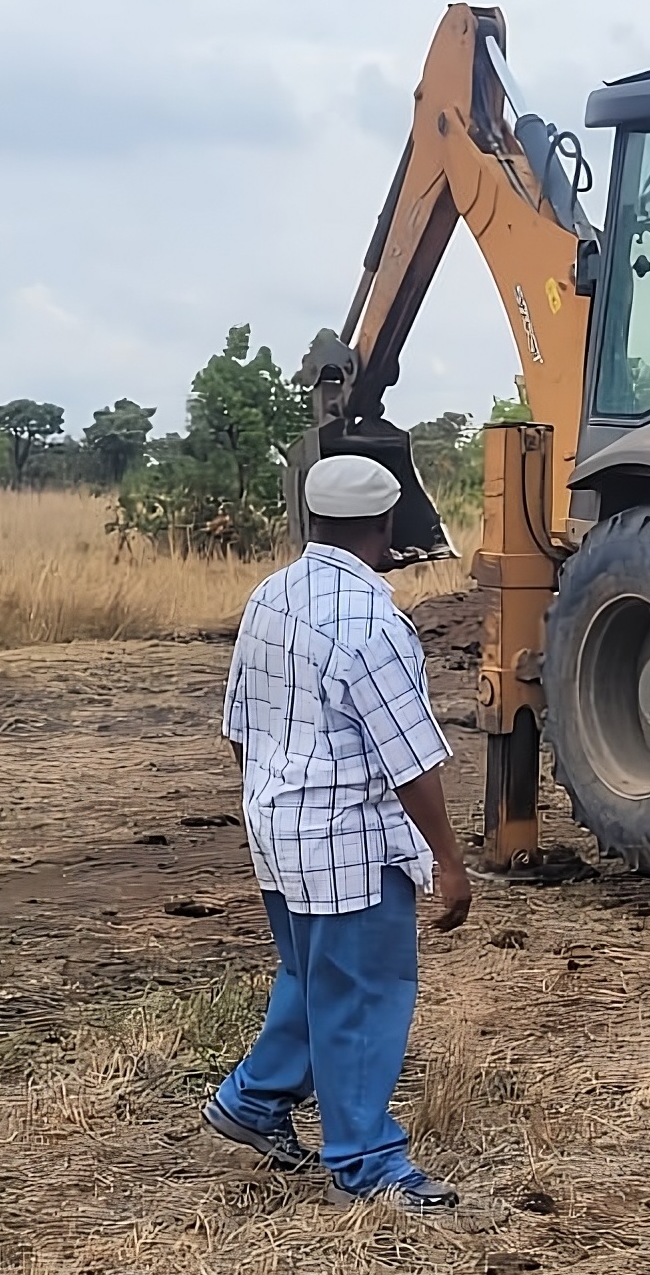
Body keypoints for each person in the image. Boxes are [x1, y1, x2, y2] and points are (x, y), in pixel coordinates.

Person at [201, 454, 474, 1216]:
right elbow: (411, 760)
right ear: (385, 527)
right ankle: (366, 1161)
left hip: (276, 831)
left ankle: (253, 1102)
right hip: (346, 843)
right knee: (362, 993)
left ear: (311, 520)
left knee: (310, 975)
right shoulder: (373, 621)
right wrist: (450, 865)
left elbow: (239, 727)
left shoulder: (271, 596)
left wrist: (271, 798)